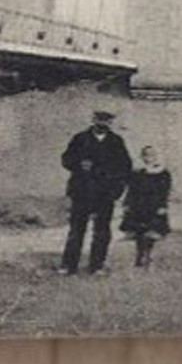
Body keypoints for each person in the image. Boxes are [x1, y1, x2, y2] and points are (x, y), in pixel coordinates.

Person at [58, 108, 131, 275]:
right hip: (82, 191)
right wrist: (78, 164)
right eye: (99, 119)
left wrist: (116, 189)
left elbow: (125, 167)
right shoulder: (80, 139)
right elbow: (66, 159)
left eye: (107, 120)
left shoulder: (116, 142)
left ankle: (97, 265)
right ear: (93, 120)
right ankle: (69, 265)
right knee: (76, 229)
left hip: (104, 194)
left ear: (111, 122)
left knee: (102, 230)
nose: (103, 123)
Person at [120, 145, 172, 269]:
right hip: (139, 206)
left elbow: (164, 191)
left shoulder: (163, 173)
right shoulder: (138, 173)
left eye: (153, 155)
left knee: (151, 231)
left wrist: (162, 206)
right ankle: (140, 255)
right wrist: (127, 205)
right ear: (143, 157)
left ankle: (148, 255)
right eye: (147, 155)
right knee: (140, 232)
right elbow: (131, 190)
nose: (151, 158)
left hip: (154, 206)